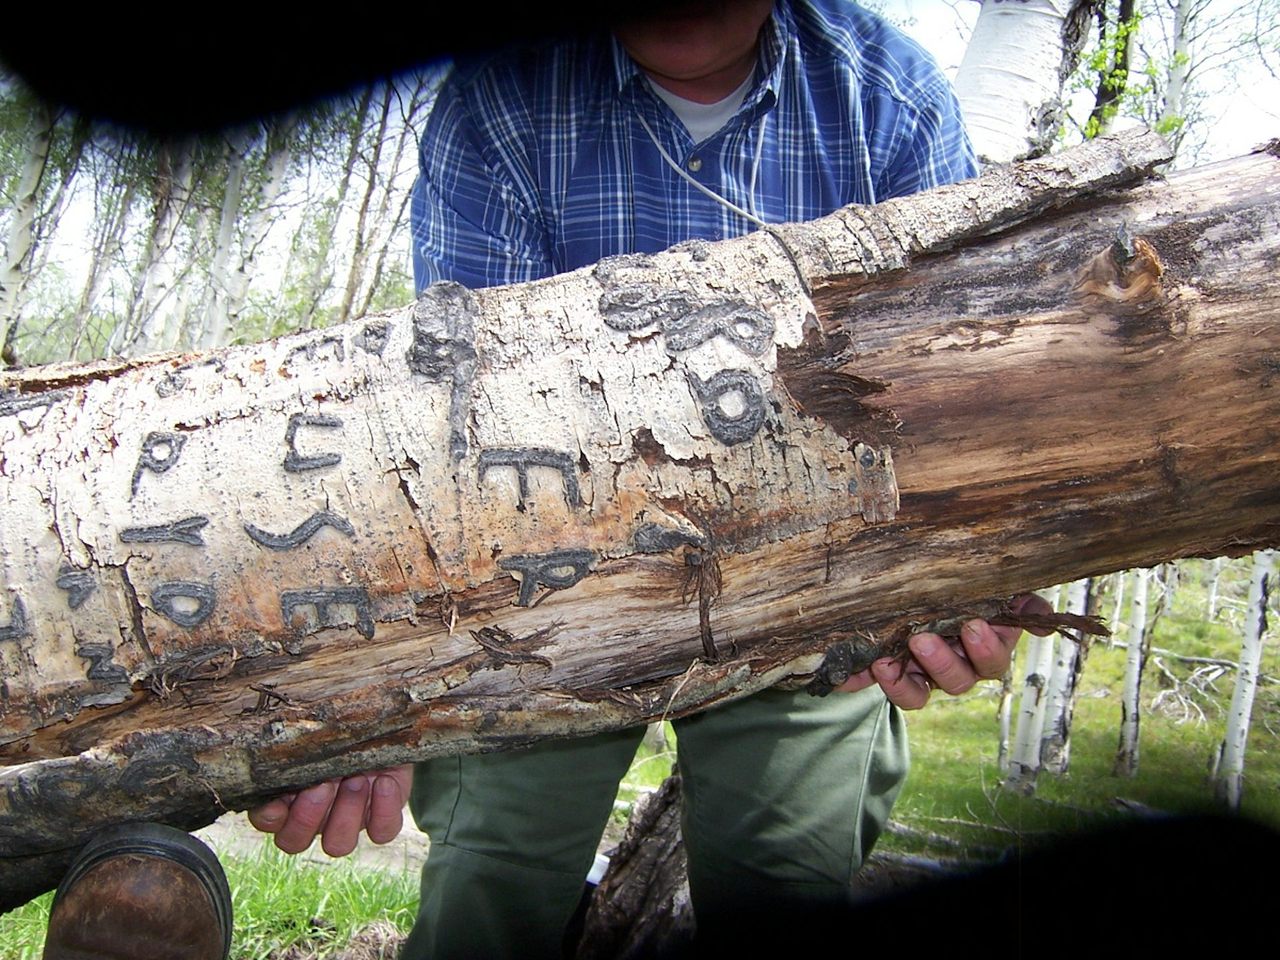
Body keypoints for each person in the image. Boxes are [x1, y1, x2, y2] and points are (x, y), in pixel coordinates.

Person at [249, 2, 1047, 955]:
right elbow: (454, 429)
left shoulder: (891, 102)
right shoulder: (504, 96)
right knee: (487, 890)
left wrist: (967, 566)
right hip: (550, 596)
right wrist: (374, 673)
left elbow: (948, 398)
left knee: (788, 880)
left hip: (809, 588)